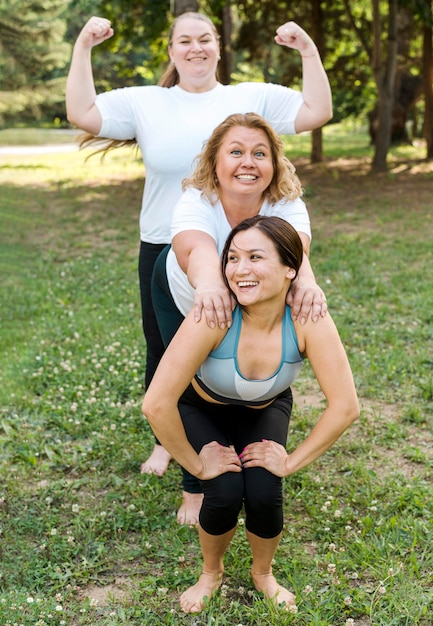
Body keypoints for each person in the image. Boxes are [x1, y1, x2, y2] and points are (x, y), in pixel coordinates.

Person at [65, 12, 332, 490]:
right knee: (165, 350)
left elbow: (315, 112)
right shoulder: (148, 101)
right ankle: (168, 440)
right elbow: (83, 113)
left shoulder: (247, 98)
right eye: (184, 41)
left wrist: (308, 51)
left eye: (205, 39)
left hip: (247, 251)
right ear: (171, 51)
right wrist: (83, 46)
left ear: (218, 47)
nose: (196, 48)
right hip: (167, 246)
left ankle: (225, 447)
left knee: (224, 352)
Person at [143, 215, 359, 614]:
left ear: (290, 267)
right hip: (202, 407)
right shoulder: (215, 313)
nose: (240, 270)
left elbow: (346, 406)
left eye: (255, 257)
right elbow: (156, 403)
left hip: (264, 409)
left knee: (263, 487)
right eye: (233, 258)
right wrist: (197, 464)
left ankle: (263, 574)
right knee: (224, 490)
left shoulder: (308, 317)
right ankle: (211, 573)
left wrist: (291, 461)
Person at [153, 112, 326, 524]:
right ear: (215, 161)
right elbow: (197, 250)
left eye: (259, 153)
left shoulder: (287, 202)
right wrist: (211, 285)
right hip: (183, 291)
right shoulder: (197, 200)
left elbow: (295, 254)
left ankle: (240, 442)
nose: (248, 161)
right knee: (179, 378)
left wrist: (308, 283)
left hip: (241, 295)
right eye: (236, 151)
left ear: (273, 165)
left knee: (234, 369)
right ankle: (193, 485)